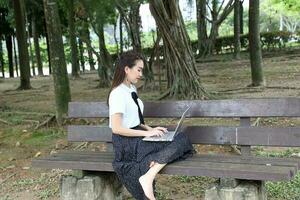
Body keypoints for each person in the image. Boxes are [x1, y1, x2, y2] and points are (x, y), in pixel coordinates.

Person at [107, 51, 195, 200]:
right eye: (138, 69)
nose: (141, 74)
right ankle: (147, 177)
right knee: (181, 140)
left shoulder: (131, 89)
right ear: (127, 69)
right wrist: (146, 134)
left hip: (137, 138)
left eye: (142, 70)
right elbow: (117, 128)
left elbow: (135, 120)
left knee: (179, 137)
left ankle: (149, 174)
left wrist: (150, 129)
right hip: (126, 145)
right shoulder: (117, 94)